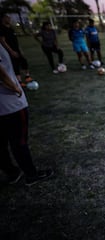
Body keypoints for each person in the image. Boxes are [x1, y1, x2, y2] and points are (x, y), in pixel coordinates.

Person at [0, 42, 54, 186]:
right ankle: (31, 175)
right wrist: (14, 88)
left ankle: (12, 172)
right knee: (19, 142)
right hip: (9, 104)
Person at [0, 13, 33, 87]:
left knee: (23, 61)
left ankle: (27, 77)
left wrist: (20, 49)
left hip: (16, 48)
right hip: (9, 51)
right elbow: (2, 41)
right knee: (15, 65)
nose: (9, 19)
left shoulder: (11, 28)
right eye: (7, 17)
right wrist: (11, 51)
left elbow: (15, 40)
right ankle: (19, 81)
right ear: (3, 18)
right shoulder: (1, 28)